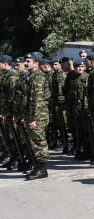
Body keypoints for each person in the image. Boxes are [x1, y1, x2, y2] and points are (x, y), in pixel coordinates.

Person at [22, 52, 51, 180]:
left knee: (39, 142)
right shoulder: (32, 77)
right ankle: (37, 167)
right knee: (33, 142)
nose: (25, 63)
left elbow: (37, 100)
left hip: (38, 116)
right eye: (26, 61)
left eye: (28, 61)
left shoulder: (38, 78)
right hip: (32, 116)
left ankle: (42, 169)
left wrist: (33, 118)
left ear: (36, 63)